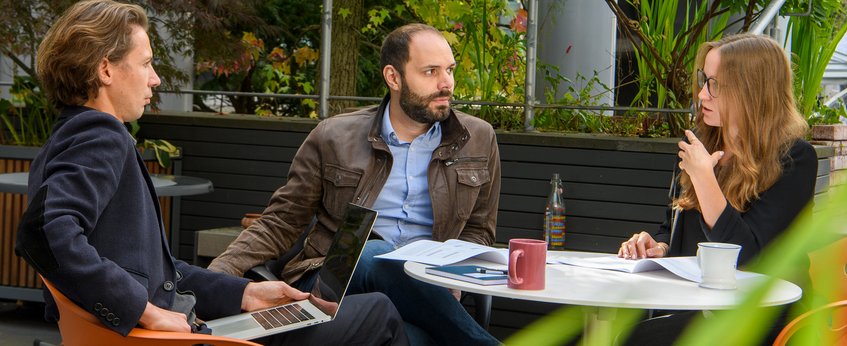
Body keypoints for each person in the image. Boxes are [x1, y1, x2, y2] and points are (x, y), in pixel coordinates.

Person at [13, 1, 407, 345]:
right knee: (380, 311)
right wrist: (145, 311)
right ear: (105, 70)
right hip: (168, 338)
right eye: (147, 63)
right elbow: (44, 232)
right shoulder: (100, 135)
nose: (156, 78)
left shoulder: (66, 136)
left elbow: (159, 274)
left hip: (174, 327)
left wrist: (246, 294)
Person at [209, 23, 501, 345]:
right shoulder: (335, 136)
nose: (446, 83)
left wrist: (452, 276)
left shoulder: (478, 138)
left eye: (449, 70)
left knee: (414, 337)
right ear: (394, 77)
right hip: (333, 282)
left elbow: (479, 229)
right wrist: (214, 279)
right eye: (430, 71)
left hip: (424, 293)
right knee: (373, 252)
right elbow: (281, 221)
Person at [617, 34, 817, 345]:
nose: (702, 95)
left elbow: (746, 257)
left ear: (752, 91)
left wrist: (705, 179)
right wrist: (658, 247)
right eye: (703, 81)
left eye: (715, 84)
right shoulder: (701, 143)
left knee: (639, 340)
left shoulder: (794, 158)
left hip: (762, 317)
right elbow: (672, 228)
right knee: (631, 333)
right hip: (700, 307)